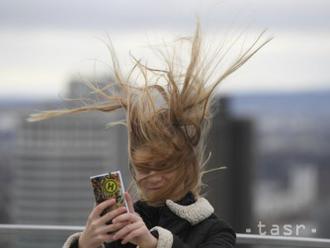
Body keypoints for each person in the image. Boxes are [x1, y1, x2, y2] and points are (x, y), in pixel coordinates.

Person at [29, 21, 272, 248]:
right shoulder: (122, 223)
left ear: (186, 165)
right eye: (144, 168)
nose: (152, 177)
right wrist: (85, 244)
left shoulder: (216, 230)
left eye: (163, 166)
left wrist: (154, 244)